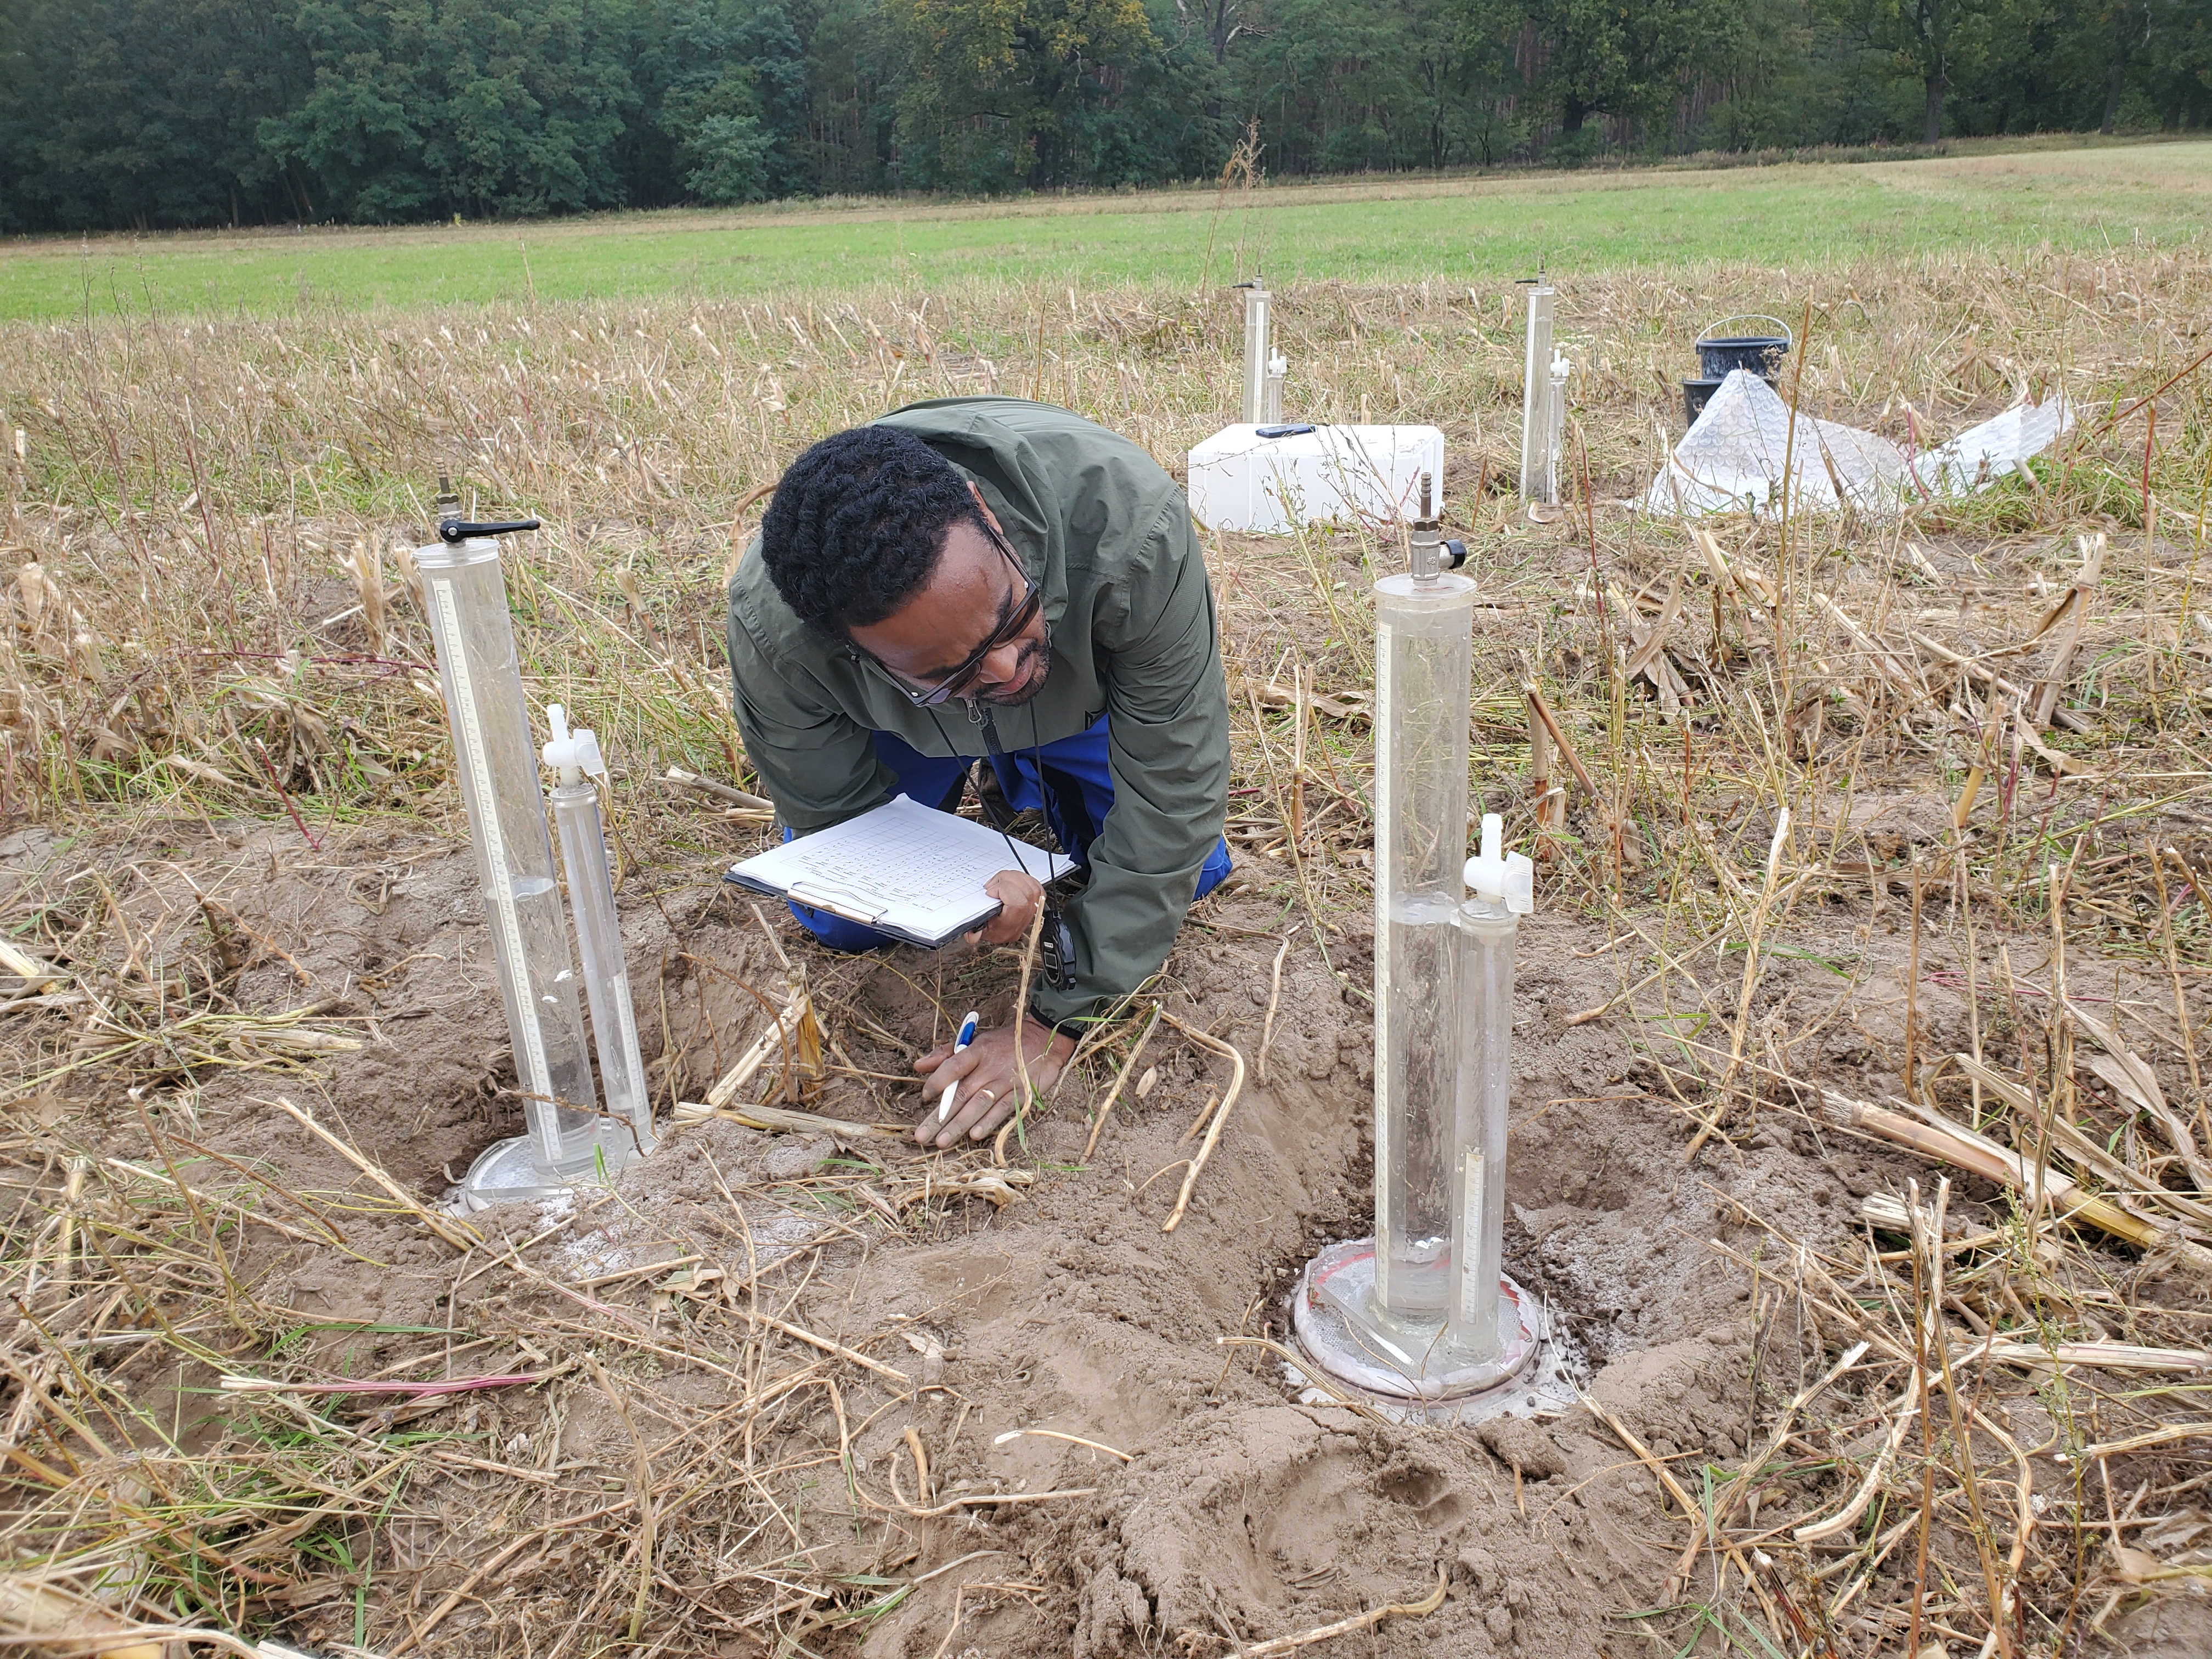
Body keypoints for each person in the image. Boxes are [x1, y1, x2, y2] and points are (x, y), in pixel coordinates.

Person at [727, 397, 1232, 1149]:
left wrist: (1058, 1022)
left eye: (1008, 615)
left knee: (1188, 872)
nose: (1004, 668)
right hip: (903, 728)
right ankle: (979, 745)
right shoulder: (775, 631)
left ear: (983, 513)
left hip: (1081, 697)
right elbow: (836, 816)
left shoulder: (1133, 529)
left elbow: (1174, 791)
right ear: (847, 649)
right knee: (840, 921)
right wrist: (951, 895)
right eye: (951, 668)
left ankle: (1025, 768)